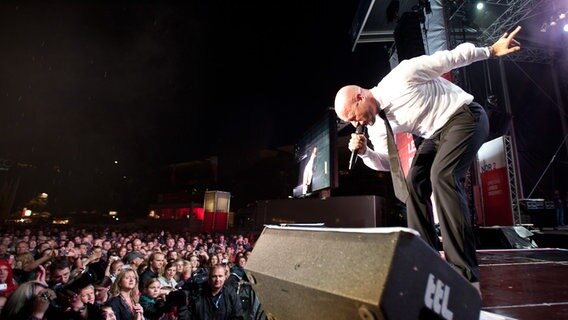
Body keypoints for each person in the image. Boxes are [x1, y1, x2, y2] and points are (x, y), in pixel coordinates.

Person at [334, 26, 523, 293]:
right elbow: (389, 164)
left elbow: (451, 57)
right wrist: (365, 152)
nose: (356, 123)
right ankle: (427, 264)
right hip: (437, 134)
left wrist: (490, 51)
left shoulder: (401, 77)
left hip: (465, 116)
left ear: (360, 96)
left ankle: (465, 275)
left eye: (353, 116)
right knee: (414, 185)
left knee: (443, 176)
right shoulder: (376, 126)